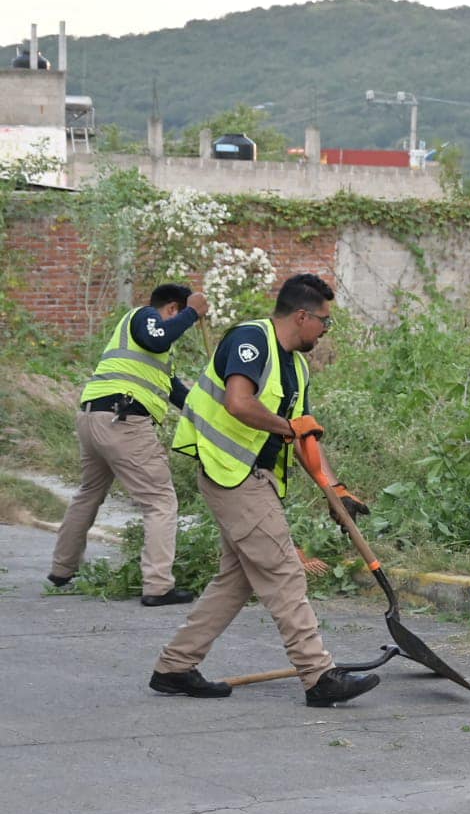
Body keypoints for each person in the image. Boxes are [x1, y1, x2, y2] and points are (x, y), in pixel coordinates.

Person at [149, 273, 381, 707]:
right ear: (301, 316)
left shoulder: (298, 366)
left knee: (235, 582)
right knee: (284, 573)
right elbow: (239, 403)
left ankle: (174, 667)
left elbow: (305, 436)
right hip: (231, 473)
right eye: (324, 322)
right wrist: (286, 427)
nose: (326, 331)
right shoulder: (250, 340)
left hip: (255, 477)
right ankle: (318, 676)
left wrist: (337, 489)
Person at [48, 283, 209, 606]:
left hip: (95, 418)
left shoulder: (152, 354)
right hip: (122, 421)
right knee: (160, 501)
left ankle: (61, 570)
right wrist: (195, 311)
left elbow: (177, 392)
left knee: (88, 493)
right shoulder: (145, 318)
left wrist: (214, 414)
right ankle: (158, 586)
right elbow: (158, 335)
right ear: (173, 309)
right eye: (180, 313)